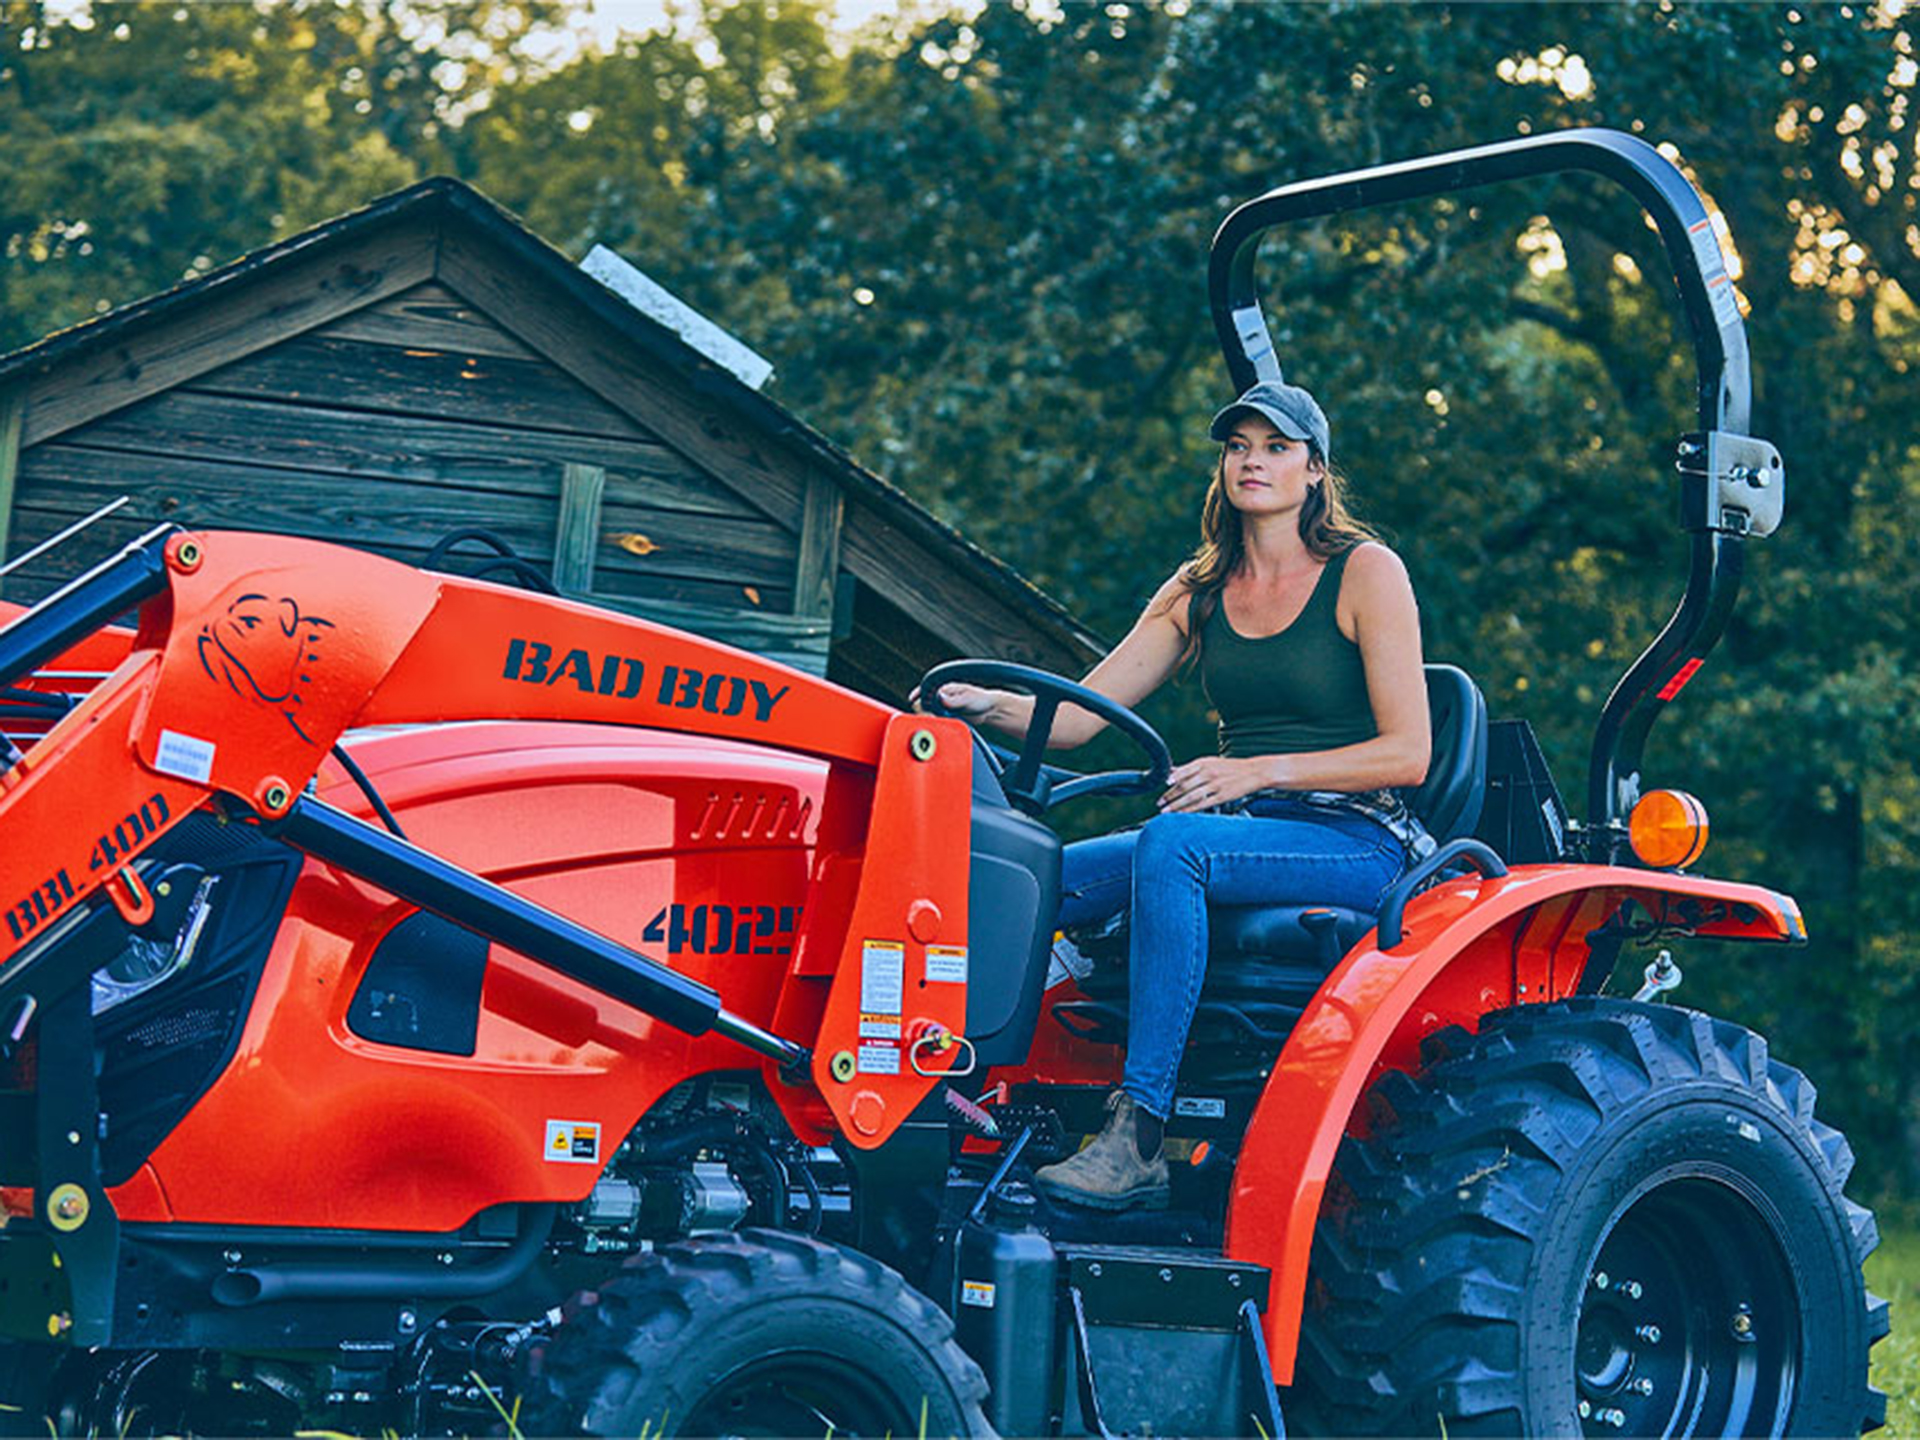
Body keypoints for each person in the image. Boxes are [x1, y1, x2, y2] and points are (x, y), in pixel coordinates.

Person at [930, 379, 1430, 1210]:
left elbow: (1407, 753)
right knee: (1026, 878)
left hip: (1358, 841)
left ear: (1314, 470)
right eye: (1237, 446)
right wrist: (986, 707)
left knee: (1173, 845)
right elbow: (1080, 720)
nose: (1252, 462)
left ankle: (1139, 1134)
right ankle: (949, 1088)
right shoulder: (1200, 589)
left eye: (1275, 447)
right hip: (1245, 829)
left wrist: (1259, 771)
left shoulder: (1365, 573)